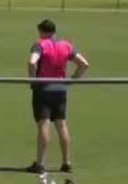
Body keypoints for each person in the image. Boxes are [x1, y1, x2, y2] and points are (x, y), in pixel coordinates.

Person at [26, 19, 89, 174]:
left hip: (43, 89)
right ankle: (66, 162)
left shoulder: (40, 44)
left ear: (42, 31)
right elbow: (84, 64)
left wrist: (33, 81)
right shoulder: (66, 45)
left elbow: (32, 62)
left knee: (44, 124)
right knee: (61, 124)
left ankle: (40, 164)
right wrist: (72, 80)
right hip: (60, 89)